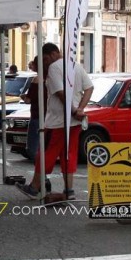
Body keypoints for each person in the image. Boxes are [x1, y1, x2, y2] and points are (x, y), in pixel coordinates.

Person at [17, 43, 93, 201]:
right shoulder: (76, 66)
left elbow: (60, 93)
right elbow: (89, 88)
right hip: (74, 122)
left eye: (45, 59)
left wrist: (73, 110)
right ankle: (69, 190)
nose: (44, 63)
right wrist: (80, 109)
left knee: (45, 153)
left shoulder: (54, 68)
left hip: (58, 121)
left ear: (52, 54)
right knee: (69, 153)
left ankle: (34, 187)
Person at [20, 58, 41, 162]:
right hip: (50, 117)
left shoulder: (36, 80)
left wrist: (23, 96)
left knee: (33, 149)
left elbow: (28, 100)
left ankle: (41, 174)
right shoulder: (53, 78)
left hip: (37, 115)